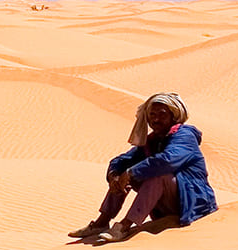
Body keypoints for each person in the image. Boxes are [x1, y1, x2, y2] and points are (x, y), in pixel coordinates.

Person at [69, 92, 217, 242]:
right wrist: (114, 175)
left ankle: (124, 226)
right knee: (123, 173)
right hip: (167, 203)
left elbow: (167, 161)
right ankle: (102, 222)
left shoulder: (185, 136)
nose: (155, 119)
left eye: (162, 114)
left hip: (193, 202)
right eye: (152, 114)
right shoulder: (152, 140)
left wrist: (131, 172)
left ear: (173, 116)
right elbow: (123, 160)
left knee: (156, 174)